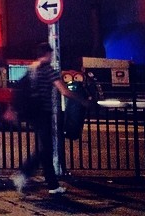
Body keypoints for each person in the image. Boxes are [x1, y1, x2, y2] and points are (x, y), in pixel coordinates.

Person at [11, 42, 91, 195]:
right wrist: (82, 101)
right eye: (51, 53)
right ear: (47, 54)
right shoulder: (48, 70)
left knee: (46, 149)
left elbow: (21, 89)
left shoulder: (32, 69)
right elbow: (64, 91)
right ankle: (23, 174)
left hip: (33, 113)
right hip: (43, 113)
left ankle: (53, 185)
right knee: (45, 149)